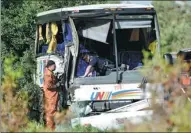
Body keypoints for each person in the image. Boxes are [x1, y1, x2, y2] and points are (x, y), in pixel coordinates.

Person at [43, 60, 60, 130]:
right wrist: (57, 85)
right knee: (51, 113)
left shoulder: (49, 72)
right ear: (51, 66)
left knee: (51, 112)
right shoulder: (48, 74)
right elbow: (49, 85)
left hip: (51, 96)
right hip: (51, 96)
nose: (55, 66)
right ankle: (50, 129)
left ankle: (52, 128)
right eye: (54, 65)